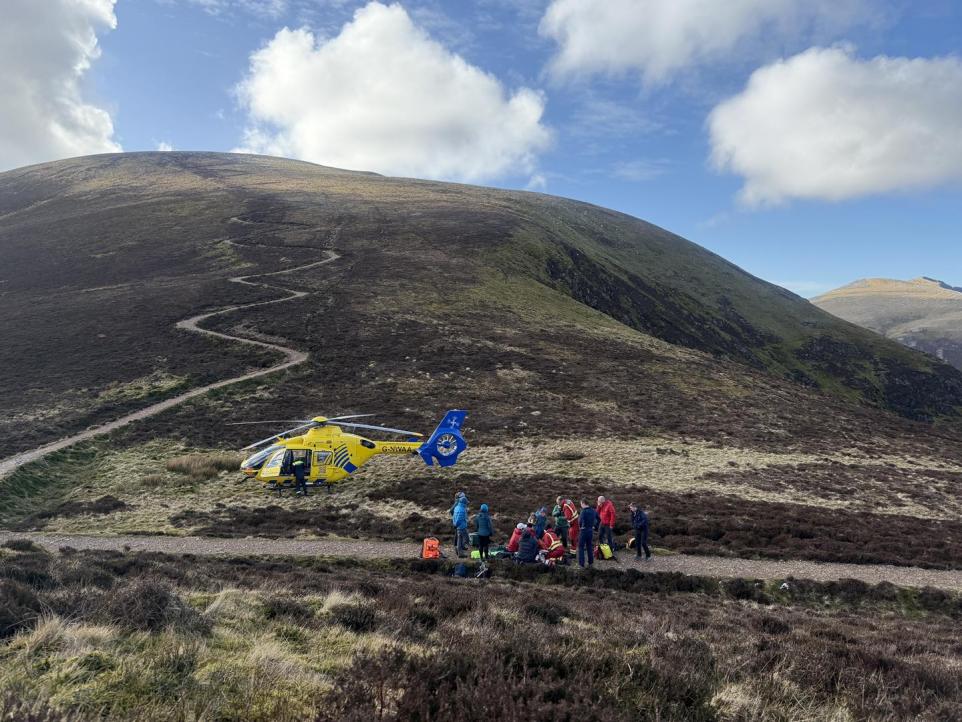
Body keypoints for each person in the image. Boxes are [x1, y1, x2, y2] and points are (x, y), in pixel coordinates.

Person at [577, 500, 598, 568]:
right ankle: (591, 562)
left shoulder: (583, 511)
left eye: (581, 504)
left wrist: (580, 526)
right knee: (589, 546)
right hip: (590, 530)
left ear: (583, 503)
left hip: (583, 531)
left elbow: (580, 521)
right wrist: (594, 526)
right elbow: (599, 519)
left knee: (581, 547)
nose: (581, 505)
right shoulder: (593, 510)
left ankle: (581, 563)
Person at [452, 494, 469, 558]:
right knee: (466, 539)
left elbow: (454, 517)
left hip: (458, 527)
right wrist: (456, 525)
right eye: (466, 503)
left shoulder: (456, 507)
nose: (467, 504)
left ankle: (459, 550)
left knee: (460, 539)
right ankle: (460, 551)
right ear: (464, 503)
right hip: (462, 527)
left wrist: (454, 524)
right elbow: (459, 519)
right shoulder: (462, 509)